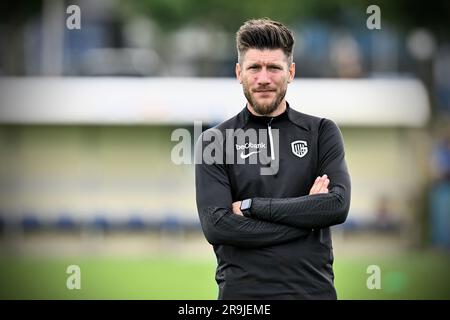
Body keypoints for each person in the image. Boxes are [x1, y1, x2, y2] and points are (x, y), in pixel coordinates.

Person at [195, 18, 351, 300]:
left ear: (290, 72)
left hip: (312, 293)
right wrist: (308, 219)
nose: (263, 78)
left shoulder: (322, 132)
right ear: (239, 72)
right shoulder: (214, 141)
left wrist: (252, 207)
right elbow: (217, 226)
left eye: (274, 68)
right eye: (254, 67)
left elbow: (337, 206)